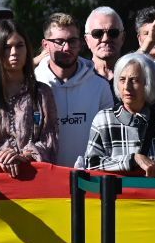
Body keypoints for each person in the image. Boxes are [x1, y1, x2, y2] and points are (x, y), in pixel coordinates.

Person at [0, 18, 58, 176]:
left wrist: (23, 156)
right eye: (7, 47)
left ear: (27, 48)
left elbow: (50, 140)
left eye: (19, 45)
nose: (14, 52)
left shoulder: (41, 93)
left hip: (34, 181)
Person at [35, 12, 113, 167]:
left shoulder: (100, 86)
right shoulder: (33, 84)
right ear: (45, 45)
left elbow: (109, 139)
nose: (66, 48)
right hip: (45, 181)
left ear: (81, 43)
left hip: (89, 180)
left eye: (72, 41)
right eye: (59, 41)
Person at [81, 52, 155, 174]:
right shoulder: (104, 119)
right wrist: (132, 160)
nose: (127, 87)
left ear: (148, 83)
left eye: (134, 80)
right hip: (117, 191)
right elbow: (90, 163)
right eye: (122, 80)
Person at [83, 7, 125, 81]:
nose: (105, 39)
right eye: (97, 33)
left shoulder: (136, 75)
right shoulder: (78, 76)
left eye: (113, 33)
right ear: (87, 40)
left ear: (123, 38)